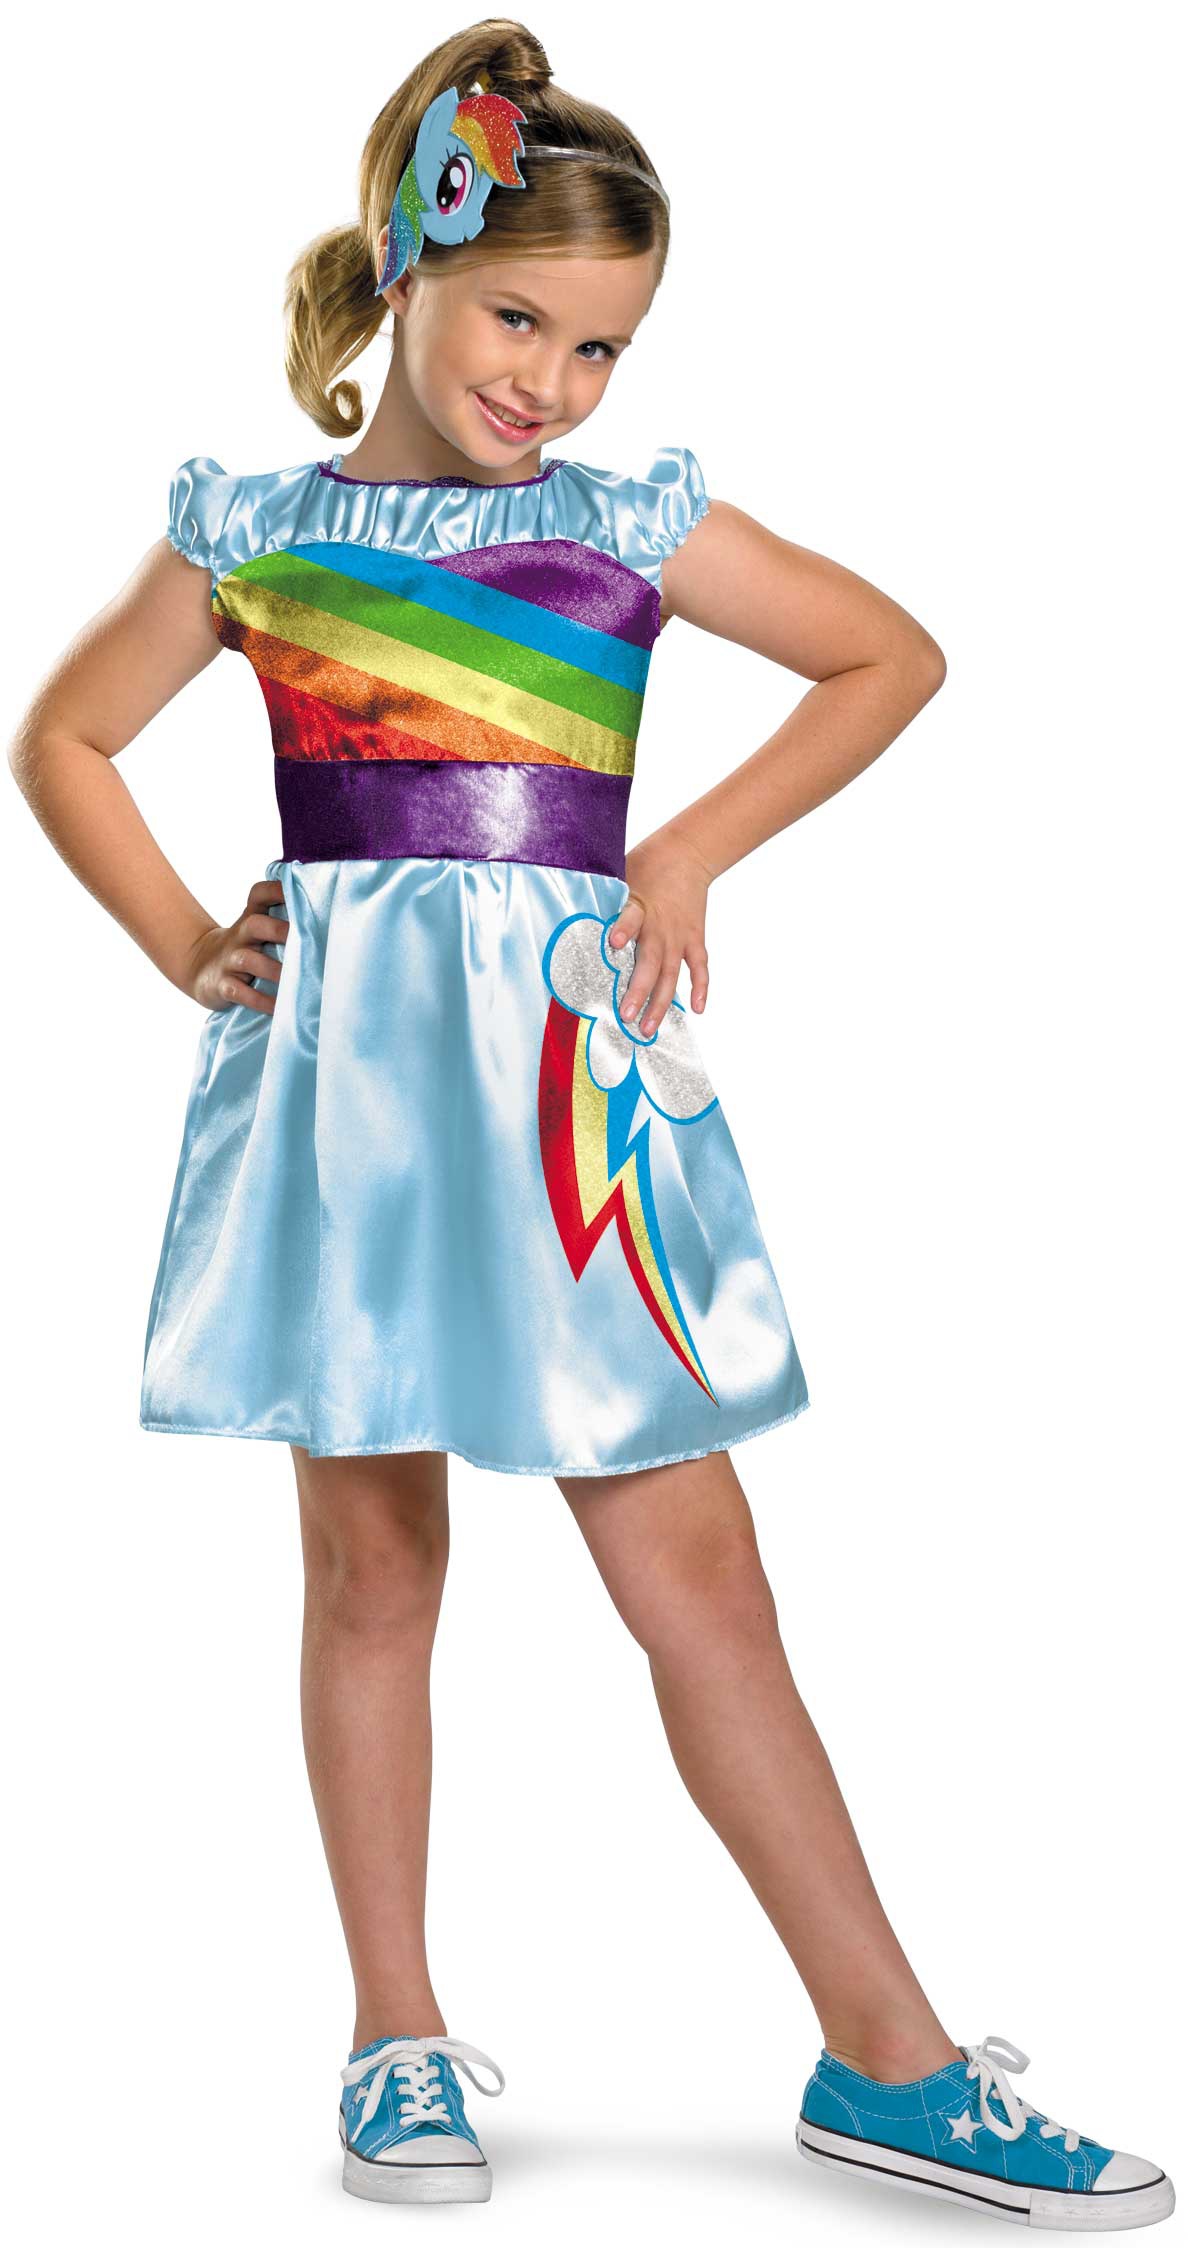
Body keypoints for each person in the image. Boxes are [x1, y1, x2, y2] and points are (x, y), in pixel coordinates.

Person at [8, 16, 1173, 2230]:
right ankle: (395, 2031)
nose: (551, 379)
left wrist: (684, 850)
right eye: (518, 319)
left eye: (603, 344)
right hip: (350, 1108)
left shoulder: (619, 527)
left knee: (699, 1568)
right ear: (409, 268)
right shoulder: (258, 532)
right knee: (372, 1565)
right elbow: (62, 737)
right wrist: (185, 943)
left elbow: (889, 655)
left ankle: (889, 2055)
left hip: (565, 1109)